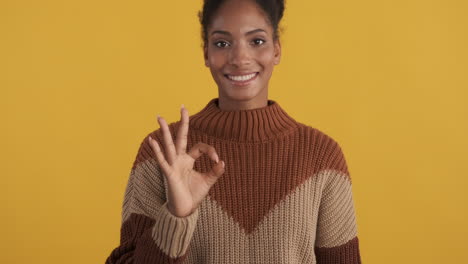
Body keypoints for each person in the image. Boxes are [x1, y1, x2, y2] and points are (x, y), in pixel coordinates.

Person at [106, 0, 362, 263]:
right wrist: (175, 216)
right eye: (222, 43)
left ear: (277, 49)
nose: (240, 59)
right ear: (206, 53)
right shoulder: (162, 152)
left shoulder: (322, 157)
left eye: (257, 41)